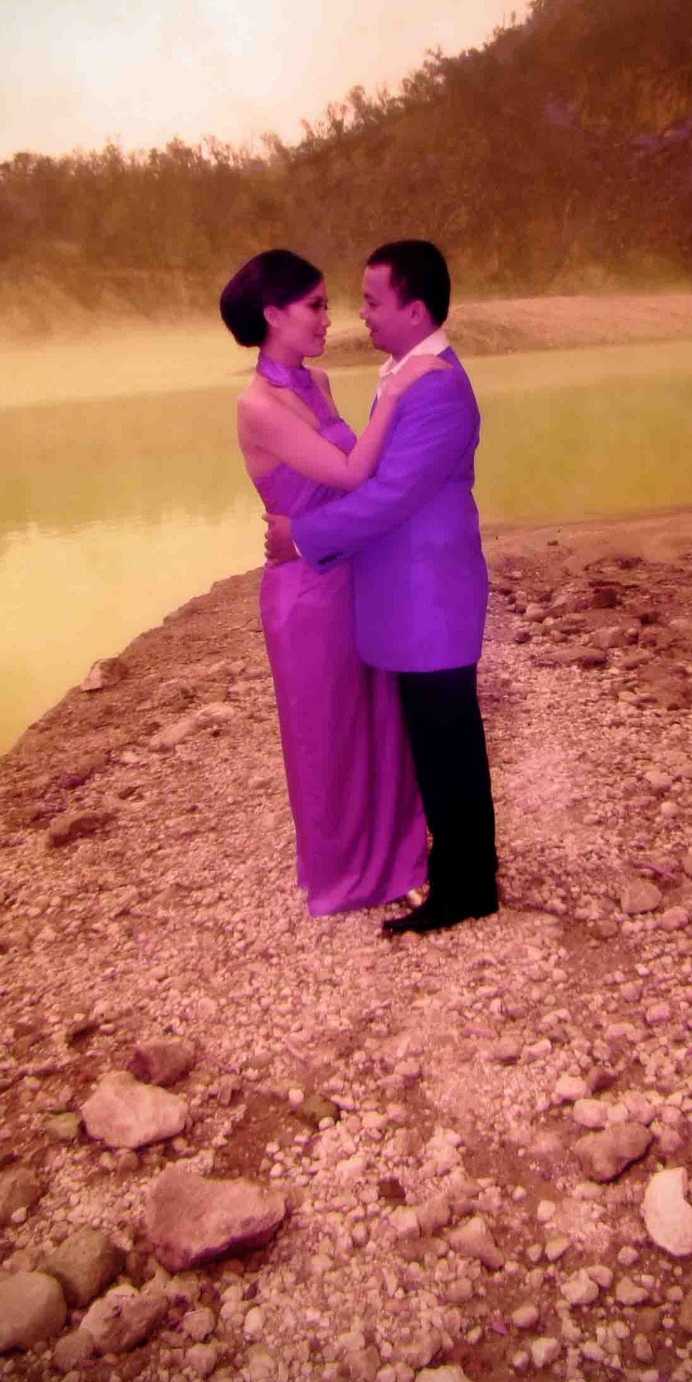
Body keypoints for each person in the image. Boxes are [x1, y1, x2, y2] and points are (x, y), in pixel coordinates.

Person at [265, 240, 499, 935]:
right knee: (435, 740)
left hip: (431, 594)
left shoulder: (436, 387)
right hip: (412, 595)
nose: (359, 314)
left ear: (414, 310)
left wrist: (302, 537)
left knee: (448, 742)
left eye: (372, 301)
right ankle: (462, 875)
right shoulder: (405, 374)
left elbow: (389, 495)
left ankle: (466, 888)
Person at [221, 248, 445, 916]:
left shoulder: (315, 382)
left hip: (352, 569)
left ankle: (399, 857)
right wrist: (395, 390)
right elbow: (348, 473)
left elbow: (356, 477)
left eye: (327, 304)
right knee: (328, 735)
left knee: (380, 720)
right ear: (273, 315)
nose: (328, 317)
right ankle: (347, 872)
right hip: (307, 592)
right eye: (314, 305)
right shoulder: (258, 404)